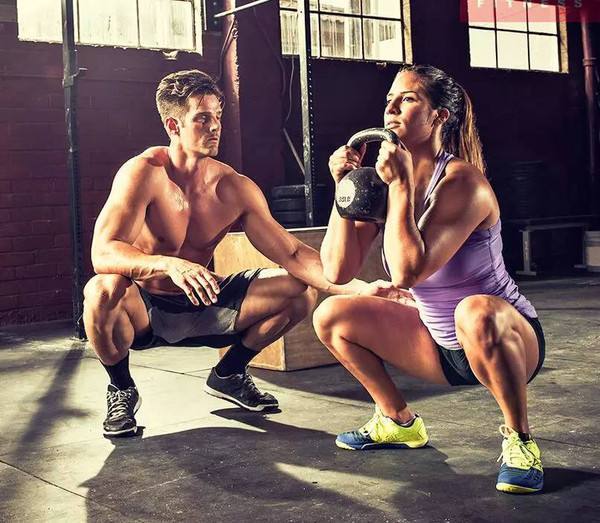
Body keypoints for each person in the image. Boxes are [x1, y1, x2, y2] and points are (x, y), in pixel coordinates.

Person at [83, 69, 362, 438]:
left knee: (299, 289)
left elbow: (294, 253)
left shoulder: (233, 186)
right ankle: (121, 388)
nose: (215, 126)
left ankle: (229, 374)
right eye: (202, 118)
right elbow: (103, 252)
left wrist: (363, 289)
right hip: (145, 309)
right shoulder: (143, 173)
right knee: (101, 289)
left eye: (217, 116)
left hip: (205, 302)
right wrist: (168, 264)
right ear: (173, 125)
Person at [313, 64, 545, 494]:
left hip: (506, 340)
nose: (391, 109)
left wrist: (401, 187)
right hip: (438, 345)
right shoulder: (385, 183)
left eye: (407, 99)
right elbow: (337, 270)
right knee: (332, 315)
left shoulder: (462, 183)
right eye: (389, 100)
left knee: (473, 310)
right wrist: (343, 188)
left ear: (439, 116)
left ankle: (521, 441)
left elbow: (407, 271)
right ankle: (397, 421)